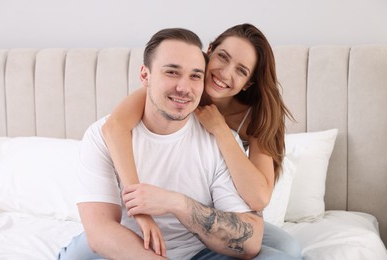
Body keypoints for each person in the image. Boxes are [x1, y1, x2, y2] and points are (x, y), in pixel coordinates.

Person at [58, 28, 264, 260]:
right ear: (145, 76)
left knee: (283, 254)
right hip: (126, 250)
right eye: (172, 72)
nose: (184, 88)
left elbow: (252, 238)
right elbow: (100, 231)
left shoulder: (223, 137)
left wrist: (176, 203)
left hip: (198, 252)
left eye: (195, 75)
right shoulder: (104, 133)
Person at [101, 23, 302, 259]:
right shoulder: (178, 92)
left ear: (248, 83)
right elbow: (114, 127)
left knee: (290, 249)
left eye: (241, 70)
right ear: (209, 52)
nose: (225, 73)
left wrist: (220, 130)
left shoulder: (255, 115)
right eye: (222, 57)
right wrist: (140, 207)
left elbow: (259, 197)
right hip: (186, 209)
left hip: (224, 212)